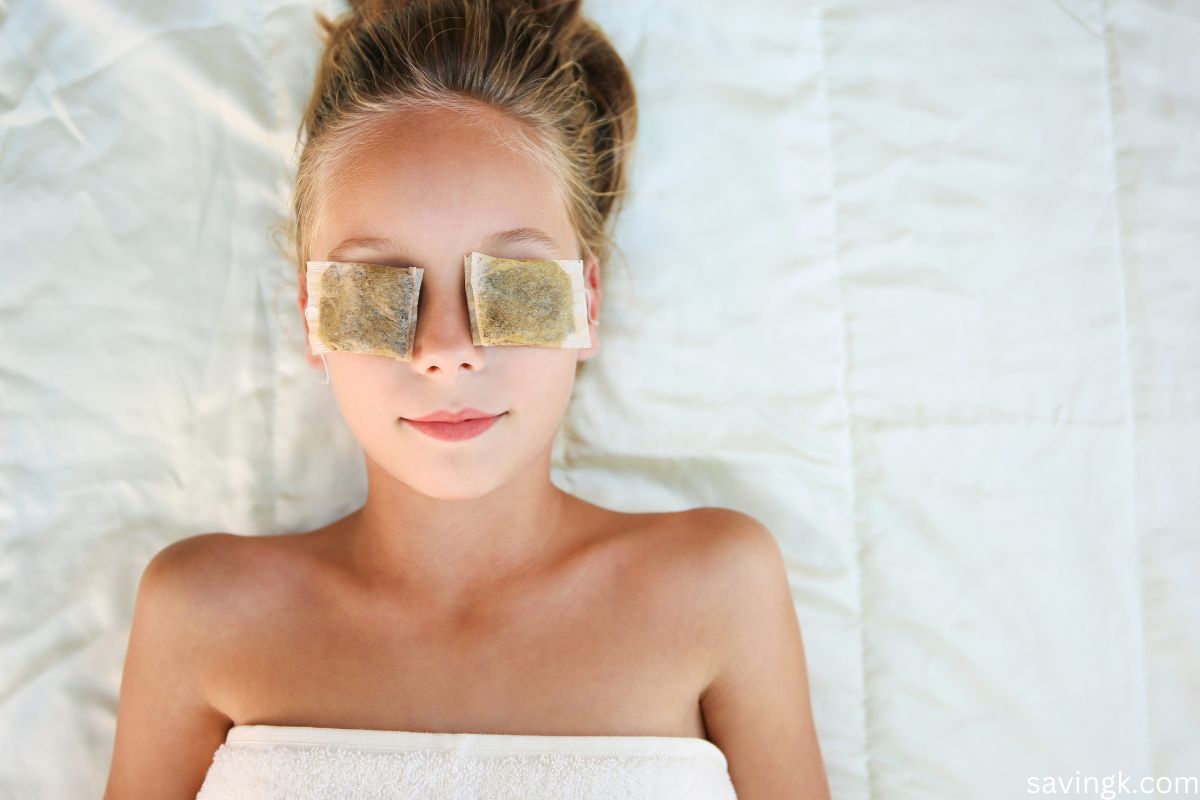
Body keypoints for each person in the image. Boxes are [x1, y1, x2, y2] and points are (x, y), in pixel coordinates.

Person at [102, 0, 830, 797]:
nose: (446, 348)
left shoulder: (721, 589)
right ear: (313, 320)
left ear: (587, 301)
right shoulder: (201, 614)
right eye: (378, 288)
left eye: (511, 283)